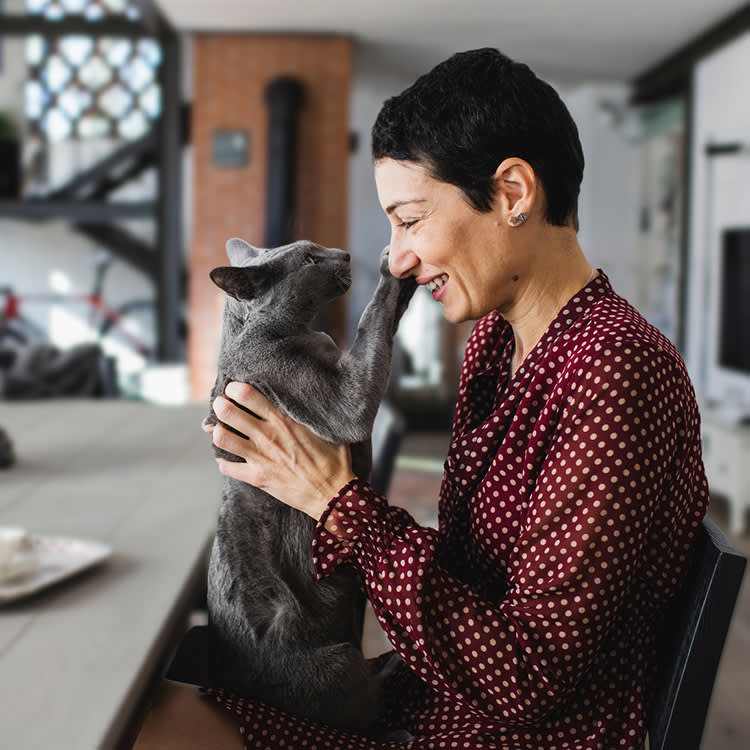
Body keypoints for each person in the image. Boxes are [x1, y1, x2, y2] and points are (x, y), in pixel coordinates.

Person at [203, 48, 709, 750]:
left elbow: (526, 681)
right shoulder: (497, 344)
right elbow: (476, 571)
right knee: (184, 693)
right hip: (441, 699)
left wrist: (337, 500)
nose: (397, 258)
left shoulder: (613, 370)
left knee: (149, 724)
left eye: (409, 220)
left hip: (507, 734)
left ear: (512, 193)